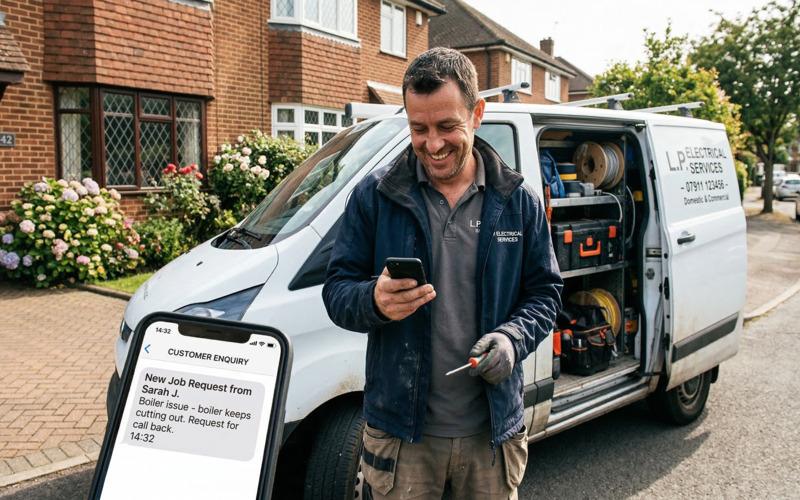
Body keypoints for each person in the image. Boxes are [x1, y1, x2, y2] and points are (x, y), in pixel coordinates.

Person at [322, 47, 562, 499]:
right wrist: (373, 300)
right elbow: (336, 291)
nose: (432, 144)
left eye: (447, 126)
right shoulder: (376, 196)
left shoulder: (518, 201)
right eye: (419, 128)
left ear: (477, 114)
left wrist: (512, 338)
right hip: (402, 437)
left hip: (491, 435)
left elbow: (546, 293)